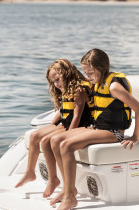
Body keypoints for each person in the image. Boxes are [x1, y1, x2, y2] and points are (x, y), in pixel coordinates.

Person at [48, 48, 139, 210]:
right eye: (86, 72)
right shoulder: (97, 83)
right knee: (55, 141)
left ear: (102, 68)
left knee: (66, 146)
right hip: (99, 128)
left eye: (91, 73)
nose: (88, 77)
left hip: (114, 132)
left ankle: (70, 197)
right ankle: (67, 188)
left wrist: (135, 137)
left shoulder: (113, 86)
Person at [14, 59, 92, 198]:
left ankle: (67, 186)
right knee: (36, 136)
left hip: (78, 125)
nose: (56, 85)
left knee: (48, 141)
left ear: (67, 74)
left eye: (57, 80)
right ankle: (35, 174)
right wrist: (51, 126)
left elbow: (77, 115)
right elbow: (63, 111)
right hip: (66, 123)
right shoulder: (66, 88)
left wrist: (69, 134)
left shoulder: (79, 89)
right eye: (53, 82)